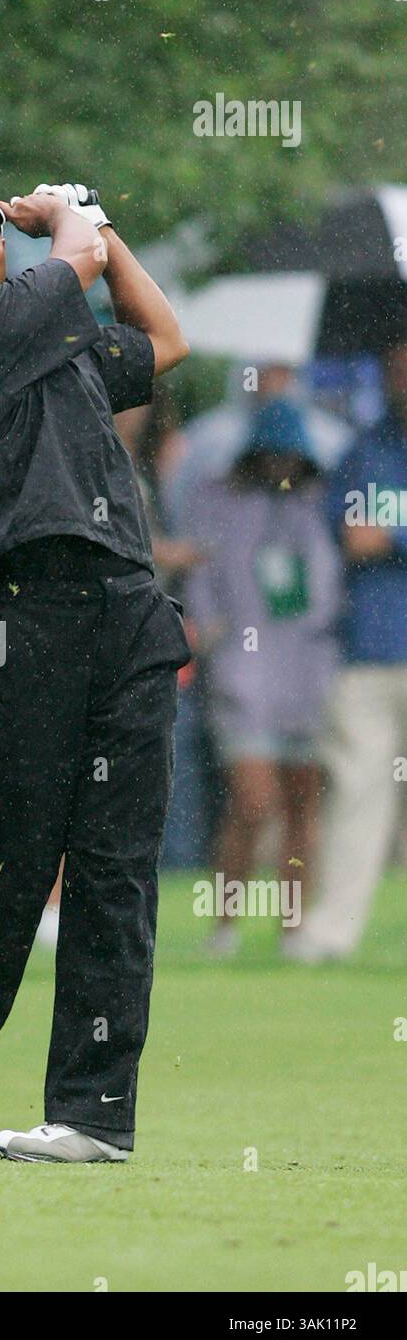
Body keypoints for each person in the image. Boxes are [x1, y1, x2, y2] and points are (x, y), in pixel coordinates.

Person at [0, 180, 191, 1163]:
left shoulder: (54, 336)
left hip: (127, 607)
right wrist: (69, 219)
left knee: (114, 869)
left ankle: (92, 1116)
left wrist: (101, 216)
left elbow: (165, 339)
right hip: (27, 615)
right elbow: (80, 271)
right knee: (12, 869)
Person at [183, 398, 342, 955]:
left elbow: (332, 592)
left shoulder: (321, 508)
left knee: (303, 804)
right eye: (270, 454)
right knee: (253, 802)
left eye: (289, 456)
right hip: (243, 677)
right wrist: (209, 634)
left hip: (308, 676)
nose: (280, 466)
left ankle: (294, 929)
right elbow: (202, 583)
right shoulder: (220, 505)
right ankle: (224, 925)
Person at [288, 339, 407, 961]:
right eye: (395, 364)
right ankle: (332, 932)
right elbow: (349, 534)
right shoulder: (365, 447)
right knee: (357, 788)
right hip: (370, 645)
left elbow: (374, 533)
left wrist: (393, 533)